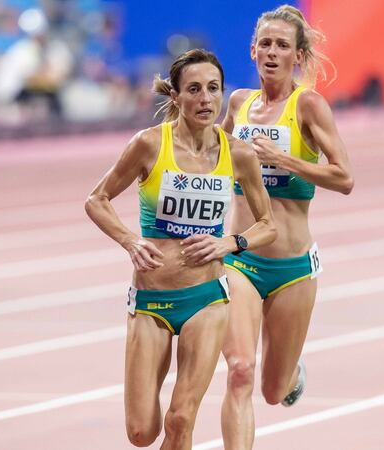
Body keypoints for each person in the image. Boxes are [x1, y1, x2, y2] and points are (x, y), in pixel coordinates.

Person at [84, 49, 276, 449]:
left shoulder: (237, 153)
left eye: (213, 89)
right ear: (175, 96)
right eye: (194, 89)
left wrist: (230, 242)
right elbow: (96, 200)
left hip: (207, 298)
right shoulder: (149, 145)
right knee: (141, 432)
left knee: (180, 417)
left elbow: (267, 226)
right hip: (151, 300)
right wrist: (130, 240)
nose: (205, 99)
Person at [219, 5, 354, 449]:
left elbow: (344, 178)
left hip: (293, 268)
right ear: (253, 51)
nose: (272, 53)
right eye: (265, 44)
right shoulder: (238, 103)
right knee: (239, 370)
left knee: (273, 391)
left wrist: (285, 161)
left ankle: (292, 370)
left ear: (298, 56)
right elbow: (212, 157)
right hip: (241, 260)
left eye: (282, 45)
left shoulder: (309, 106)